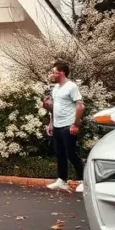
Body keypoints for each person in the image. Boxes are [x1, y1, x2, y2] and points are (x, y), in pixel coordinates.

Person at [45, 60, 84, 193]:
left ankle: (83, 180)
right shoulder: (55, 88)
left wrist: (75, 124)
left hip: (68, 126)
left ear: (61, 73)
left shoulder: (71, 86)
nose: (52, 75)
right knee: (59, 154)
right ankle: (62, 180)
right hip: (57, 125)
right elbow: (55, 108)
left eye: (54, 73)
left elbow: (80, 106)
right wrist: (50, 121)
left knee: (71, 154)